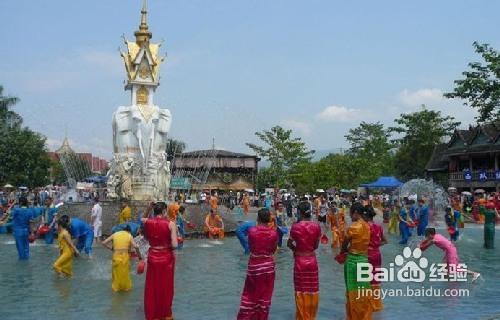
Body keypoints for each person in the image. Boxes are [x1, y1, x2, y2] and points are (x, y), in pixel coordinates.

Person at [237, 208, 279, 320]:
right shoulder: (274, 233)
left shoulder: (252, 231)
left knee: (250, 294)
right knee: (265, 295)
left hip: (254, 266)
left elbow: (250, 247)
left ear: (258, 218)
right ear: (269, 219)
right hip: (268, 267)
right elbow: (273, 249)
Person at [141, 202, 178, 320]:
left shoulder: (147, 222)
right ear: (164, 211)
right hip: (166, 258)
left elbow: (142, 219)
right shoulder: (171, 224)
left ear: (154, 211)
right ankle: (166, 314)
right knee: (166, 287)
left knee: (152, 287)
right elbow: (175, 245)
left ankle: (153, 315)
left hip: (152, 256)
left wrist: (148, 208)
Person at [287, 201, 321, 320]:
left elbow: (289, 244)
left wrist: (296, 250)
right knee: (312, 289)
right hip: (312, 260)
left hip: (300, 260)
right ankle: (311, 316)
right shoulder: (316, 226)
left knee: (300, 290)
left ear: (300, 212)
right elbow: (316, 246)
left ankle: (302, 316)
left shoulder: (295, 227)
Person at [341, 202, 373, 320]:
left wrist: (342, 251)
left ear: (355, 213)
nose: (349, 216)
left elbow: (345, 242)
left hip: (353, 261)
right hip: (364, 260)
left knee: (352, 290)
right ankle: (365, 316)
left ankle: (353, 317)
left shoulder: (354, 227)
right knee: (364, 290)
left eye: (350, 213)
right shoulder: (367, 226)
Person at [102, 225, 143, 292]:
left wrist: (111, 249)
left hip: (116, 257)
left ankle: (115, 292)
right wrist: (140, 257)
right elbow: (136, 247)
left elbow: (103, 243)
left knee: (116, 277)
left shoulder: (115, 234)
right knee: (125, 276)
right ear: (129, 231)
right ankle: (126, 291)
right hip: (125, 258)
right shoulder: (129, 235)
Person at [363, 206, 387, 312]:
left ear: (365, 215)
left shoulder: (363, 227)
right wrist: (376, 245)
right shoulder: (379, 227)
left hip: (365, 255)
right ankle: (377, 305)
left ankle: (367, 303)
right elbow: (385, 241)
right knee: (375, 279)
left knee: (365, 279)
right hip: (377, 254)